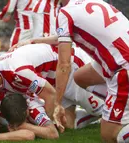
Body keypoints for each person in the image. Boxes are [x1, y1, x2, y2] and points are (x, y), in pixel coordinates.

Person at [0, 43, 105, 131]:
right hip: (53, 81)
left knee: (104, 112)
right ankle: (95, 115)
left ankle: (111, 111)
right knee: (68, 124)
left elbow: (49, 94)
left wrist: (47, 124)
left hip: (71, 71)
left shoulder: (17, 71)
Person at [54, 0, 129, 142]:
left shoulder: (65, 13)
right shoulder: (94, 1)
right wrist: (35, 41)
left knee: (109, 136)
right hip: (121, 54)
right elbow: (64, 37)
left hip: (123, 67)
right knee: (81, 77)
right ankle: (117, 105)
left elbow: (64, 64)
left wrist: (57, 103)